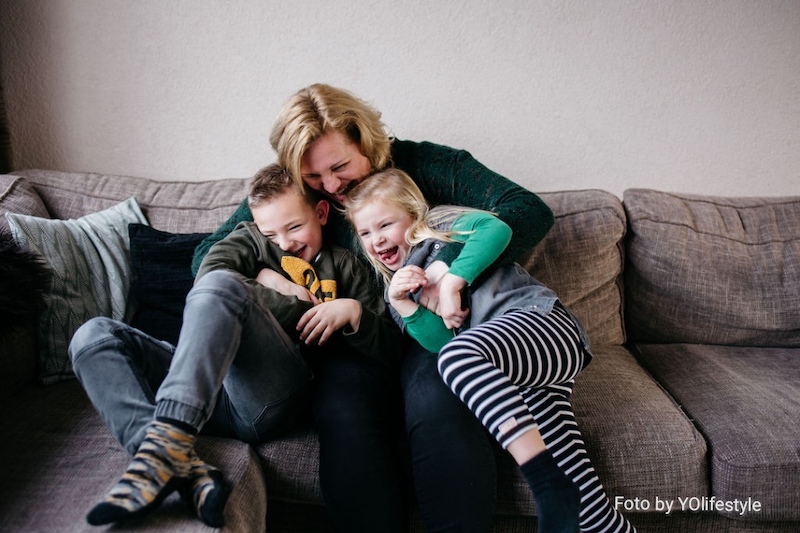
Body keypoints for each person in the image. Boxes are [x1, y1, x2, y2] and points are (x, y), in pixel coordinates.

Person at [192, 83, 556, 532]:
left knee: (440, 400)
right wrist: (267, 278)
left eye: (340, 166)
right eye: (313, 178)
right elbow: (206, 256)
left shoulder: (428, 164)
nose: (330, 187)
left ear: (366, 139)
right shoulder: (302, 192)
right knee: (343, 407)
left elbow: (528, 210)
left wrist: (441, 275)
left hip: (430, 333)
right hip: (356, 343)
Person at [69, 164, 400, 527]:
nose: (285, 243)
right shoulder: (249, 240)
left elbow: (388, 347)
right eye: (270, 234)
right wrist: (277, 288)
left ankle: (163, 453)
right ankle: (174, 463)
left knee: (224, 286)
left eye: (294, 227)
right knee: (92, 335)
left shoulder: (346, 266)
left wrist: (351, 312)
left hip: (270, 394)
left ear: (321, 213)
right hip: (205, 388)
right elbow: (209, 274)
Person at [344, 168, 637, 533]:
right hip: (520, 376)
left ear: (413, 215)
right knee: (585, 505)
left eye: (385, 224)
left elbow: (497, 229)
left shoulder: (439, 225)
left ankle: (545, 486)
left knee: (458, 358)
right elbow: (441, 344)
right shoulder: (400, 291)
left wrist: (453, 281)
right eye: (365, 232)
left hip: (543, 328)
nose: (376, 239)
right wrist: (404, 305)